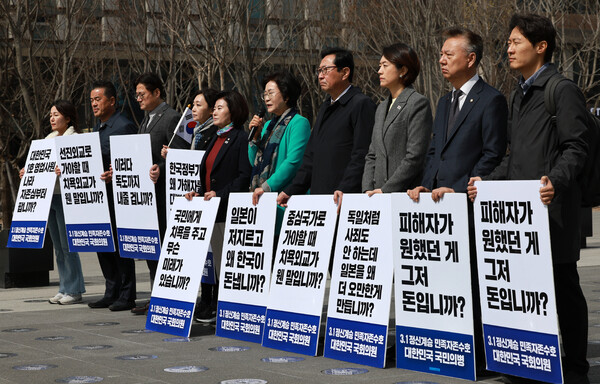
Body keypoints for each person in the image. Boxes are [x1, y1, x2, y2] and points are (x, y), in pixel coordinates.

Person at [467, 14, 590, 384]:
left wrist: (556, 180)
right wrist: (486, 182)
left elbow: (576, 147)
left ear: (541, 47)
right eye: (508, 42)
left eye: (516, 42)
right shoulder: (519, 93)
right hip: (520, 213)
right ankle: (527, 362)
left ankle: (578, 367)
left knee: (563, 284)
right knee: (525, 289)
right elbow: (514, 156)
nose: (509, 48)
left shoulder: (560, 89)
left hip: (554, 209)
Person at [406, 27, 508, 378]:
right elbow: (435, 151)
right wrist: (424, 185)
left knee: (473, 283)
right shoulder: (445, 99)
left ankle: (481, 353)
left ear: (471, 58)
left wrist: (460, 188)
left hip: (467, 205)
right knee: (445, 284)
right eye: (441, 53)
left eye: (449, 53)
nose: (441, 59)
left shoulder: (491, 100)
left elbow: (493, 155)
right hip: (436, 206)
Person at [277, 48, 375, 209]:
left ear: (345, 73)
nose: (320, 76)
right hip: (320, 199)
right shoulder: (325, 107)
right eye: (319, 71)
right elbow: (310, 156)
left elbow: (362, 154)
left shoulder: (361, 104)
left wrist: (346, 188)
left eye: (325, 70)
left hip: (344, 200)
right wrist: (293, 190)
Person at [185, 90, 252, 322]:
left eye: (219, 108)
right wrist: (200, 192)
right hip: (211, 209)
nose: (214, 111)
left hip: (227, 210)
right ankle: (220, 309)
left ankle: (229, 311)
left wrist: (220, 195)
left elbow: (243, 176)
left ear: (232, 112)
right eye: (214, 108)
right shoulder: (215, 136)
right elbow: (209, 173)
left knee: (227, 263)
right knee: (218, 265)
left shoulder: (240, 138)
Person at [131, 73, 189, 315]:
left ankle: (166, 296)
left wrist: (161, 170)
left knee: (166, 246)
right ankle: (155, 295)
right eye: (136, 95)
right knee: (152, 247)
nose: (138, 99)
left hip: (165, 195)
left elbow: (181, 154)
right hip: (148, 196)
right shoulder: (146, 120)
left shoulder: (172, 117)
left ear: (157, 93)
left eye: (142, 94)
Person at [160, 87, 220, 321]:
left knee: (212, 254)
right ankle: (205, 299)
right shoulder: (196, 133)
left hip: (209, 198)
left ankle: (212, 302)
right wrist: (171, 157)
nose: (193, 109)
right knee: (202, 254)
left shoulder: (213, 133)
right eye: (193, 105)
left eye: (198, 105)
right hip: (194, 197)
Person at [19, 100, 86, 305]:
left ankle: (74, 290)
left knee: (68, 246)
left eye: (56, 114)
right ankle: (64, 286)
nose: (52, 118)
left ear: (67, 117)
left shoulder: (74, 138)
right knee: (58, 246)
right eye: (51, 115)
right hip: (50, 197)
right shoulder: (48, 139)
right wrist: (27, 172)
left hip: (65, 197)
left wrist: (65, 170)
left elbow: (82, 167)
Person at [87, 81, 138, 311]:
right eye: (91, 100)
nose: (94, 104)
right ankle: (111, 291)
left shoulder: (123, 126)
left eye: (98, 99)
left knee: (120, 246)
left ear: (112, 101)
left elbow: (131, 162)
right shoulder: (97, 128)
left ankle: (126, 295)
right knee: (104, 244)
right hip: (98, 199)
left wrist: (115, 174)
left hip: (118, 198)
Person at [362, 43, 432, 195]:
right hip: (376, 196)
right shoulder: (381, 108)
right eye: (380, 65)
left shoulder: (417, 103)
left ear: (403, 70)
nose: (379, 71)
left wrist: (386, 190)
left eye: (385, 65)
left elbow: (414, 156)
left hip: (404, 195)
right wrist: (367, 189)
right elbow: (372, 154)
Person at [248, 70, 311, 233]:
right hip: (263, 199)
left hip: (284, 199)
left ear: (286, 95)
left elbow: (294, 162)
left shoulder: (299, 123)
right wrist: (255, 139)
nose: (266, 98)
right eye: (264, 94)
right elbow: (254, 161)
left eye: (271, 93)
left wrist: (267, 186)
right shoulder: (268, 126)